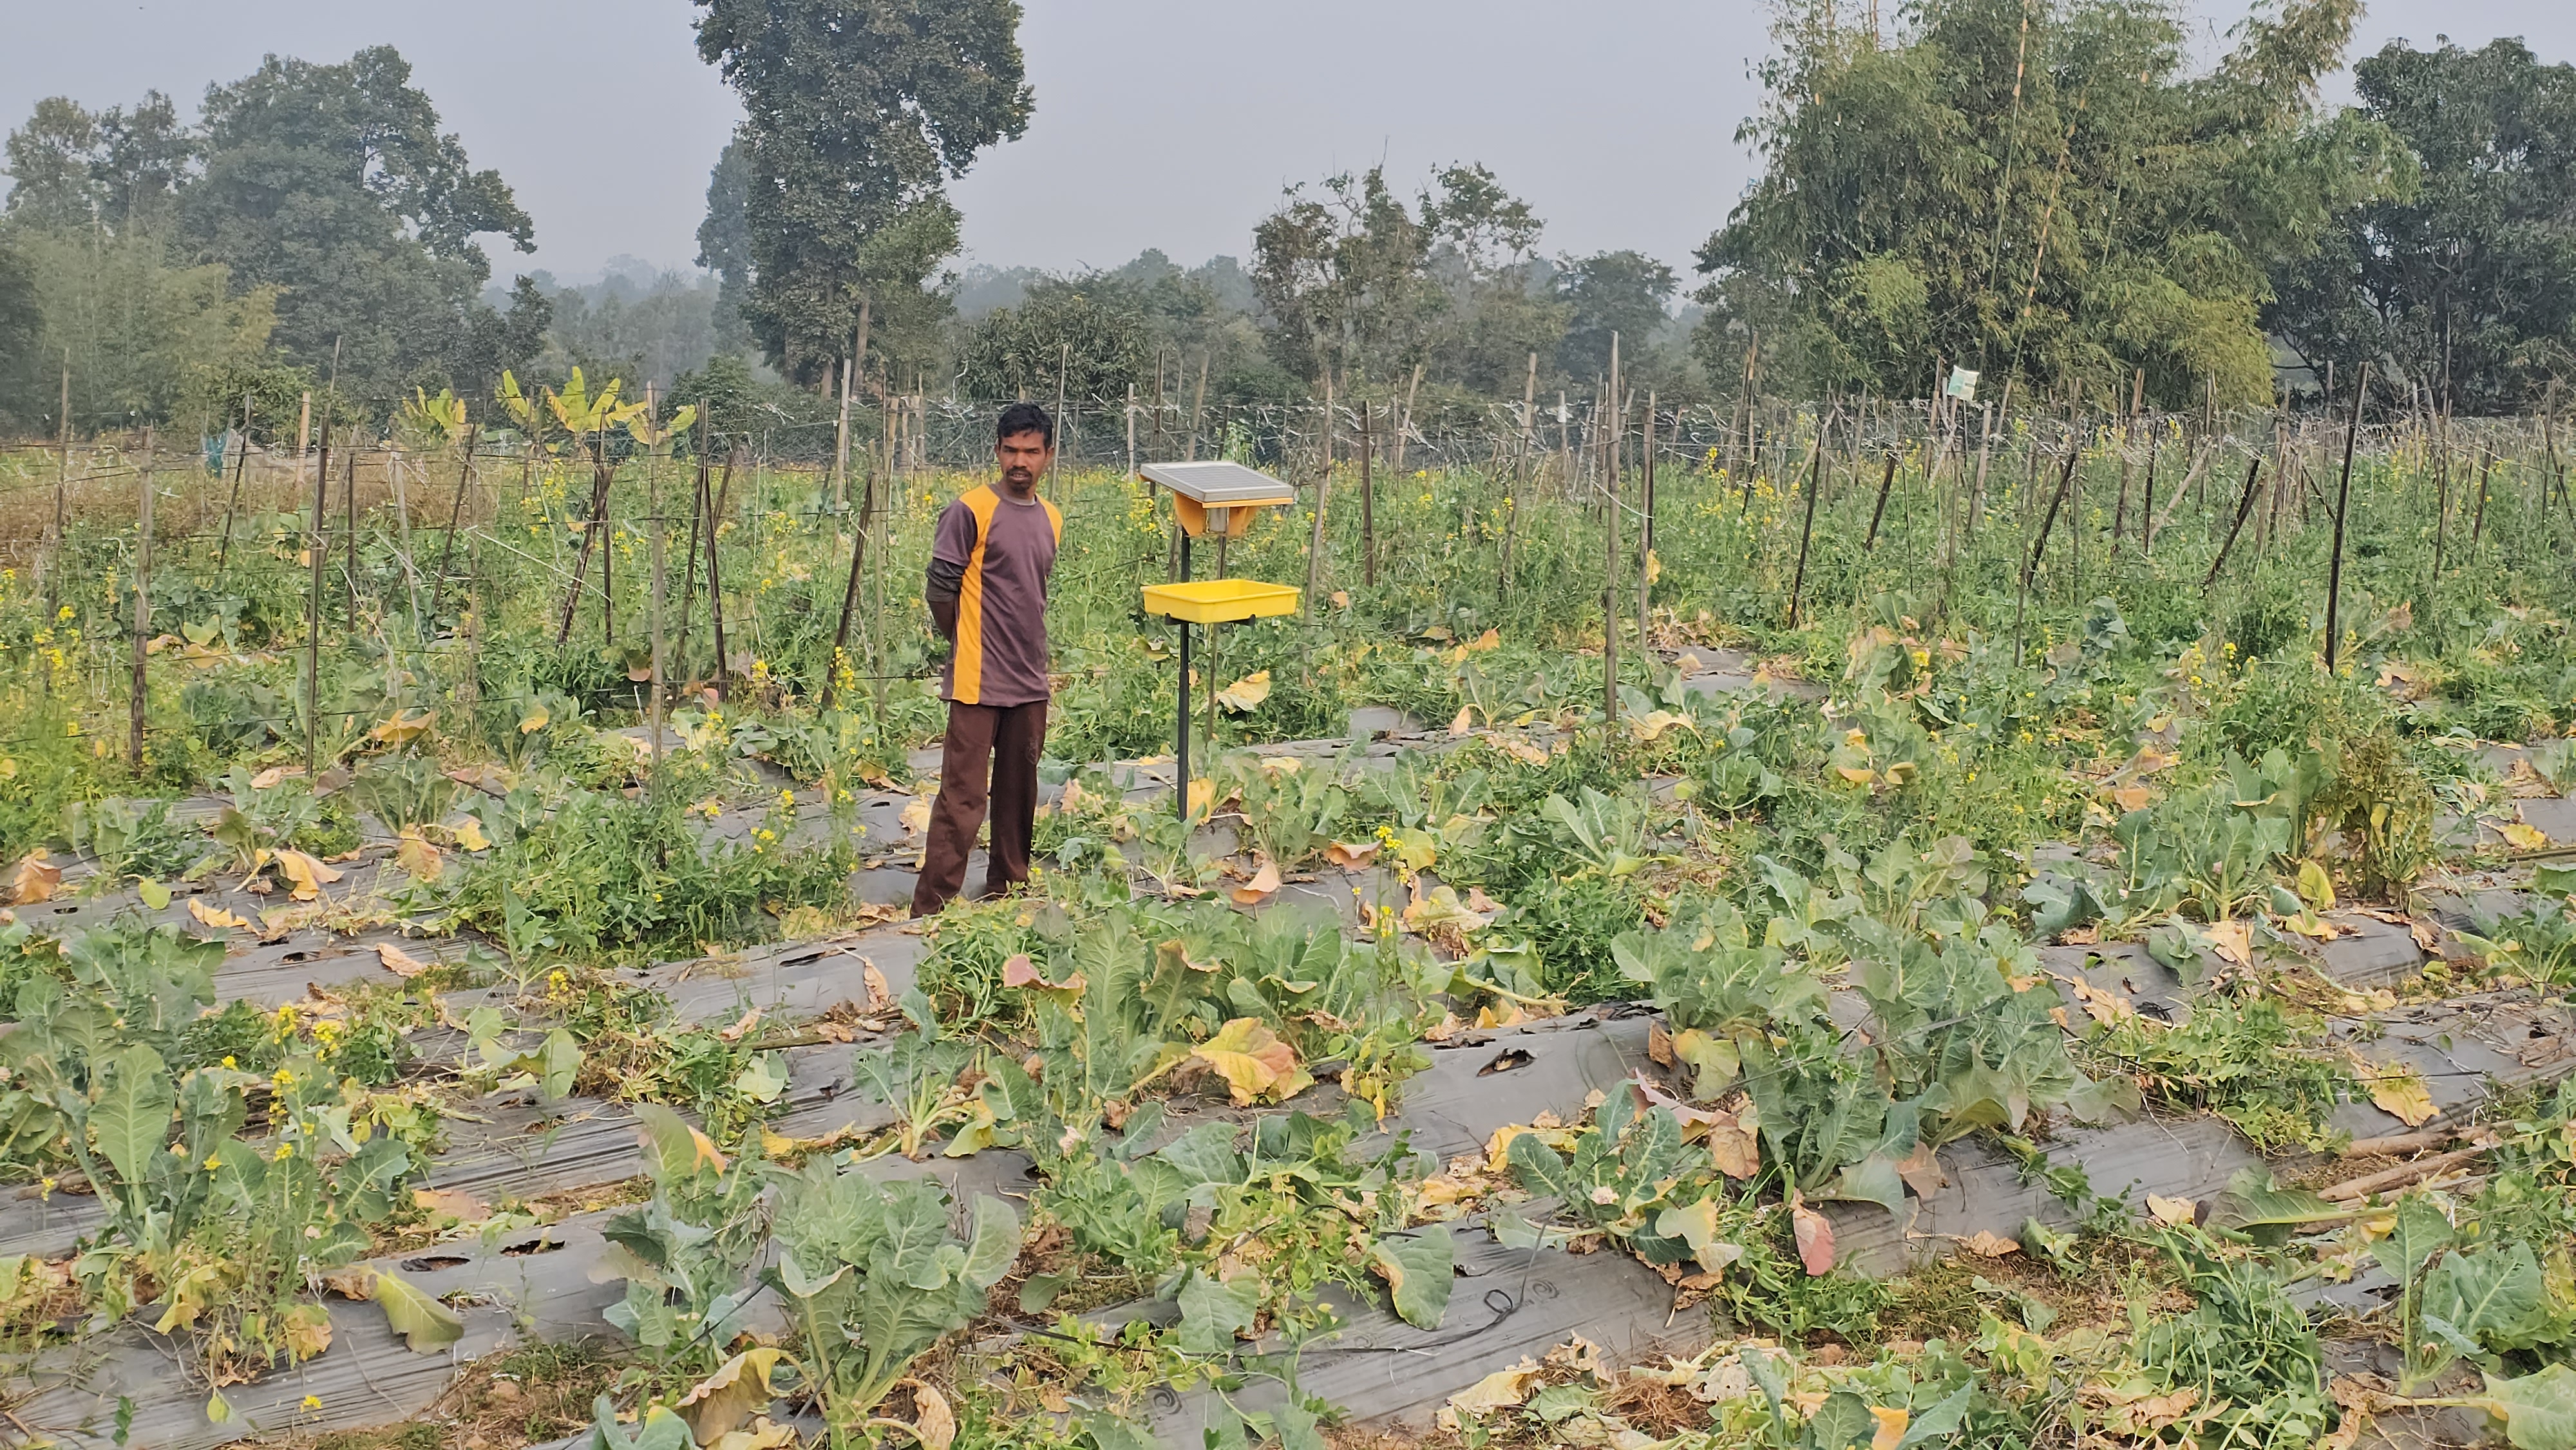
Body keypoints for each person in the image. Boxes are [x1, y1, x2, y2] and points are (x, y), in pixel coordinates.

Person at [913, 402, 1063, 917]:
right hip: (977, 680)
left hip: (1029, 681)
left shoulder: (1051, 518)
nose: (1020, 461)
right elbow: (940, 589)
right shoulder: (970, 510)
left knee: (1020, 796)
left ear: (1049, 455)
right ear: (997, 451)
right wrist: (964, 640)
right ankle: (931, 909)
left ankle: (1009, 891)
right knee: (962, 799)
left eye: (1031, 452)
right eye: (1011, 450)